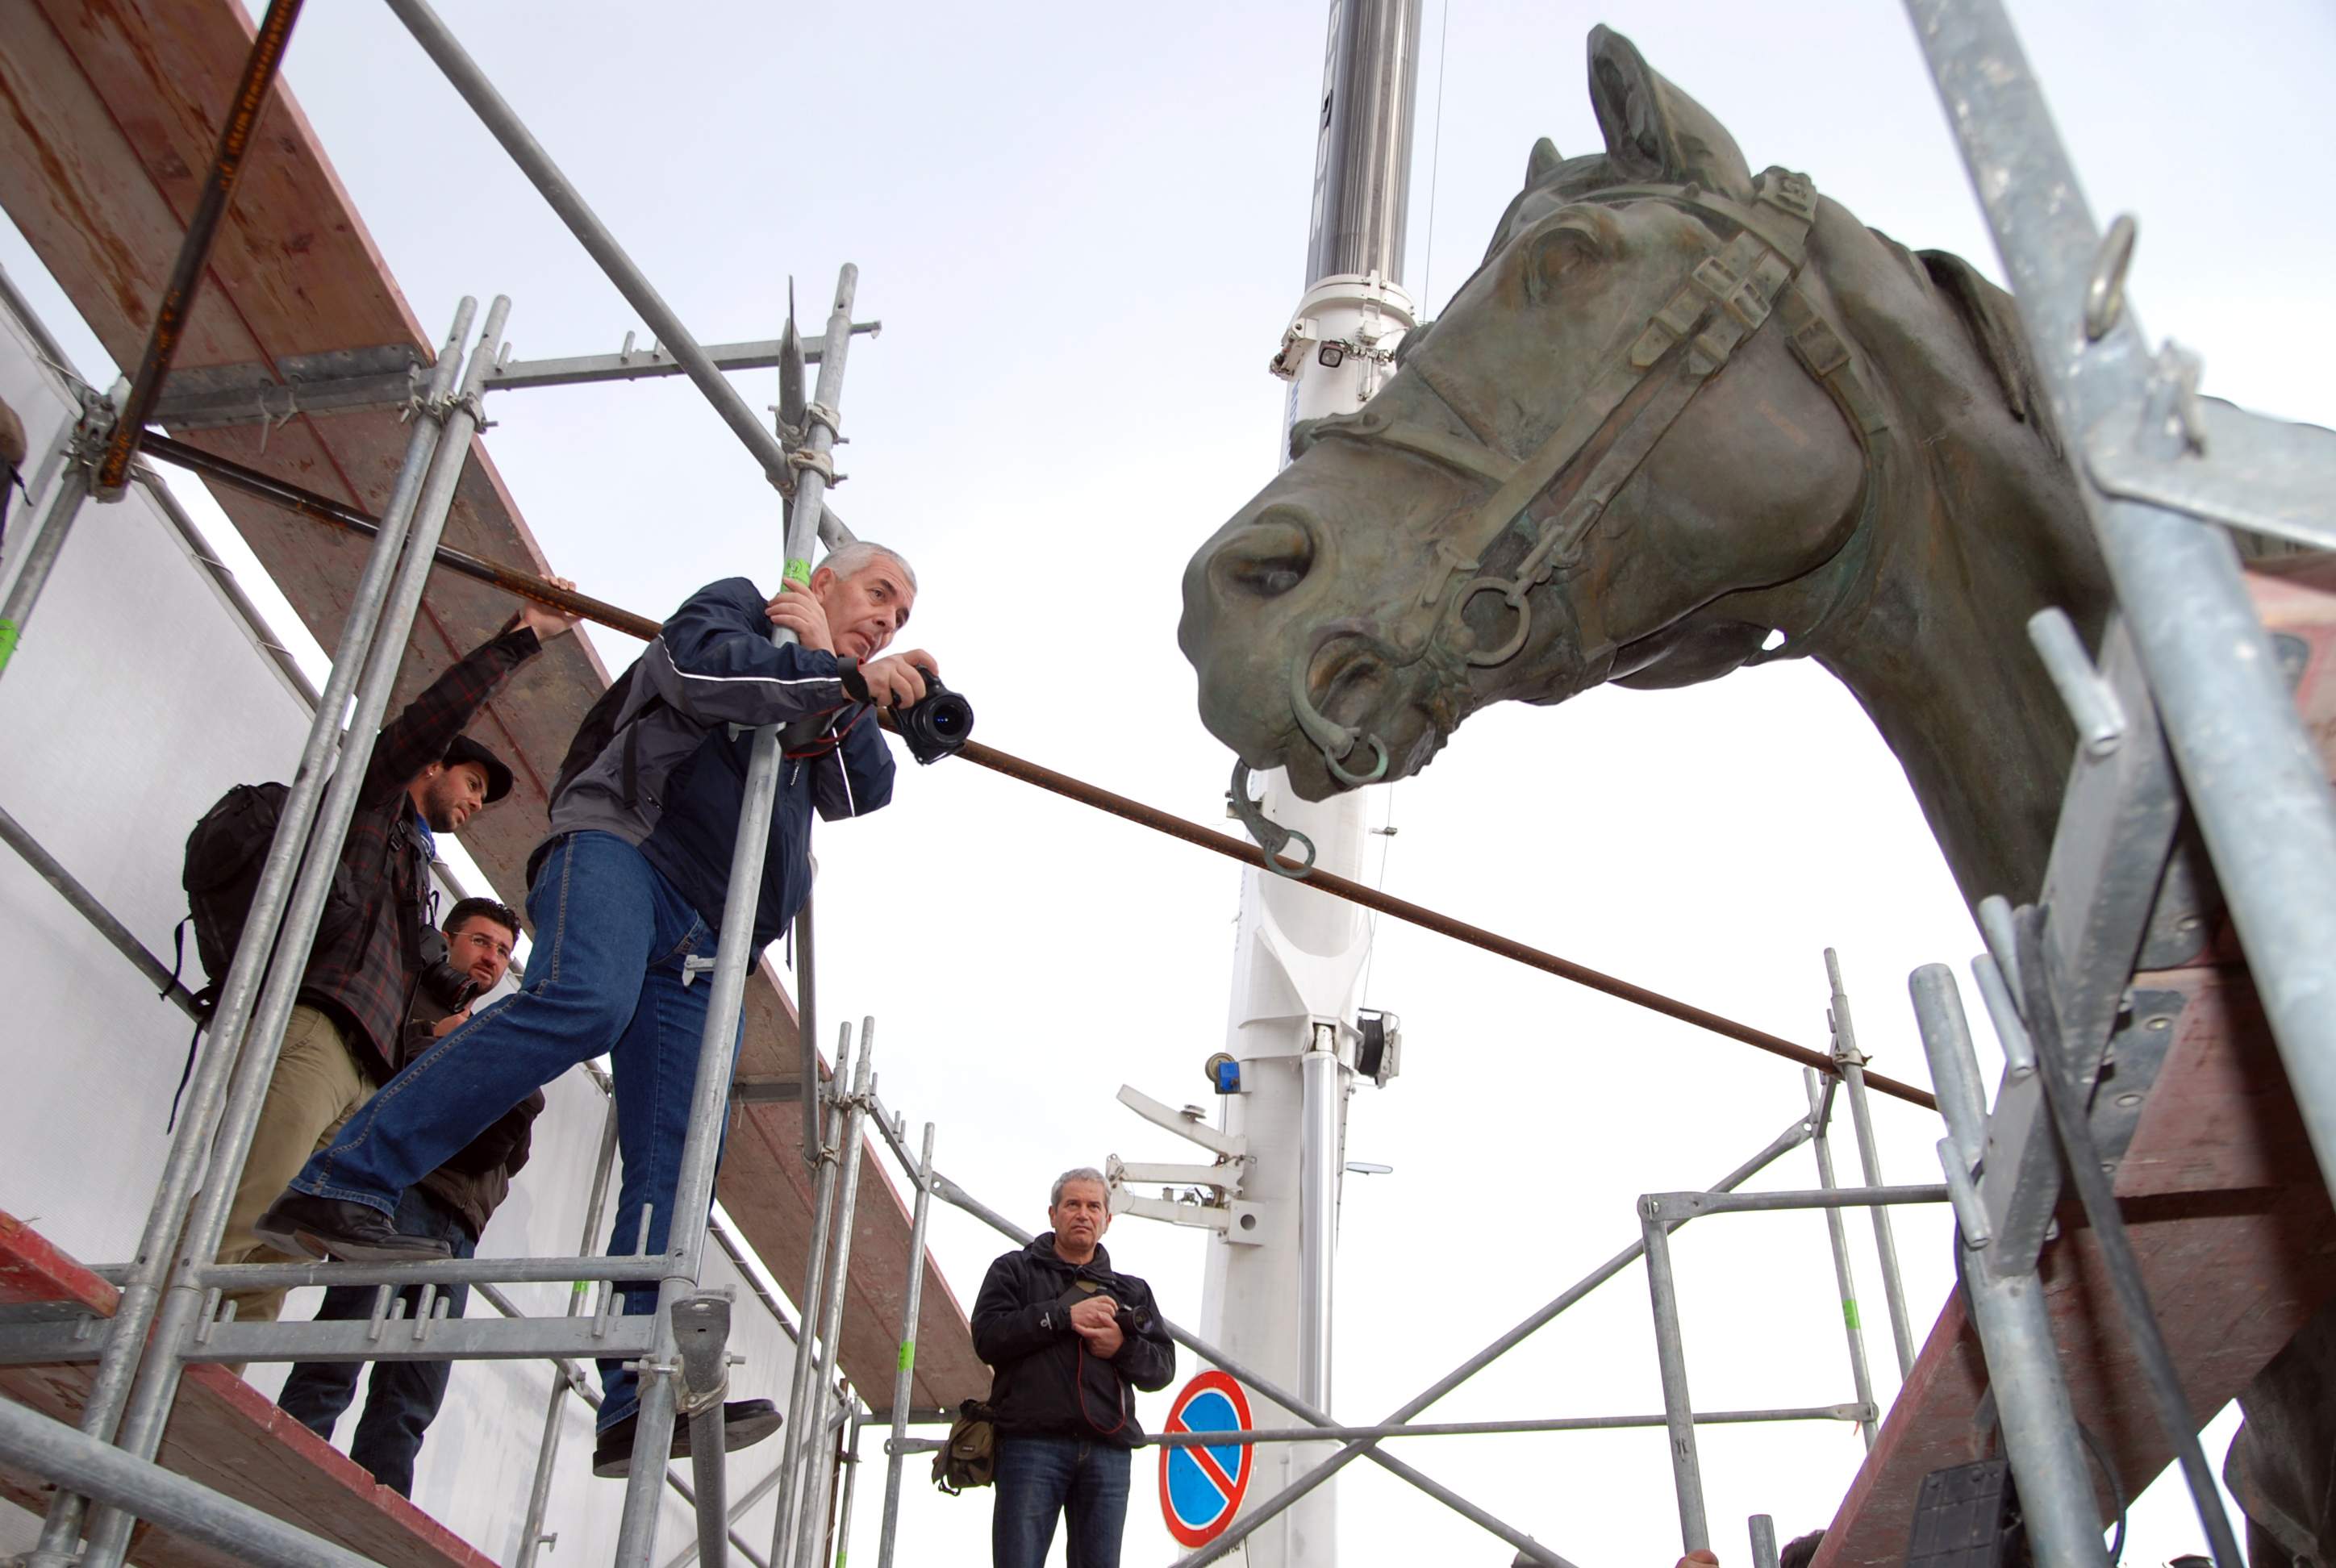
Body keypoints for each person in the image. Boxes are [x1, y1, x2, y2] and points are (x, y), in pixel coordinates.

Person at [258, 542, 936, 1476]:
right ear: (820, 582)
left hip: (711, 939)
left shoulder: (821, 680)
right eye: (879, 597)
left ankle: (633, 1392)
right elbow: (701, 673)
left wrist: (847, 679)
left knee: (680, 1152)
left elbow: (862, 790)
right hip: (627, 848)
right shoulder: (740, 610)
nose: (889, 622)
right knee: (581, 1001)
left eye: (902, 619)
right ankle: (349, 1174)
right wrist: (822, 659)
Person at [214, 590, 578, 1334]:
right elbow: (421, 724)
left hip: (361, 1067)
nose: (476, 802)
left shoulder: (413, 868)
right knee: (247, 1210)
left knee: (285, 1244)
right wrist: (520, 639)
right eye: (471, 784)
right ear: (431, 768)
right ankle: (149, 1355)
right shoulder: (372, 808)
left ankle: (208, 1380)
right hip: (320, 1031)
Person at [273, 897, 544, 1496]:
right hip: (399, 1199)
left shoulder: (500, 1034)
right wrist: (437, 1043)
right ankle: (286, 1476)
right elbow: (384, 1077)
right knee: (342, 1344)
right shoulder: (408, 1000)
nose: (491, 959)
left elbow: (512, 1148)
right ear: (448, 939)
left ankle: (381, 1506)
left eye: (502, 951)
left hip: (461, 1223)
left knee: (415, 1382)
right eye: (480, 941)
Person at [971, 1167, 1176, 1568]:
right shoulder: (1013, 1270)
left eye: (1093, 1206)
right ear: (1053, 1214)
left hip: (1108, 1451)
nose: (1083, 1213)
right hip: (1030, 1444)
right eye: (1073, 1204)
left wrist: (1122, 1346)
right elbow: (987, 1338)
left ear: (1107, 1220)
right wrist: (1063, 1316)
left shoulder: (1132, 1291)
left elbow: (1163, 1368)